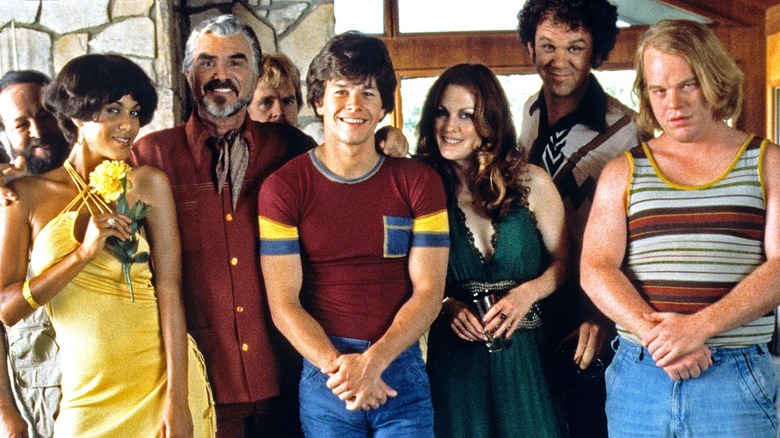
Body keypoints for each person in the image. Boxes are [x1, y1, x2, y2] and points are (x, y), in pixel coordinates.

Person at [581, 19, 780, 436]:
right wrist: (664, 341)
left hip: (734, 373)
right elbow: (595, 268)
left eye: (688, 85)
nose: (673, 103)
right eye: (659, 90)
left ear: (715, 79)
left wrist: (697, 328)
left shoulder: (769, 163)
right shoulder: (623, 171)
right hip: (641, 373)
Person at [0, 53, 216, 436]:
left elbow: (170, 290)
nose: (128, 125)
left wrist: (178, 399)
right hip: (86, 398)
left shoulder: (147, 184)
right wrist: (82, 255)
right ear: (77, 115)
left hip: (159, 385)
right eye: (113, 110)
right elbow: (7, 309)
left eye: (135, 112)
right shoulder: (24, 196)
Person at [130, 14, 317, 438]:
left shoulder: (293, 151)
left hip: (291, 379)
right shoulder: (150, 158)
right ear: (187, 74)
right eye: (206, 62)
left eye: (236, 61)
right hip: (202, 386)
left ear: (254, 75)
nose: (221, 74)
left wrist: (388, 146)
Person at [258, 32, 450, 437]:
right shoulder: (283, 188)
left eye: (368, 93)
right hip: (326, 374)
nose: (354, 104)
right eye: (341, 91)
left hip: (399, 366)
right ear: (318, 101)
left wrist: (374, 362)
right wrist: (347, 371)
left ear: (384, 106)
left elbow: (430, 292)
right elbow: (283, 304)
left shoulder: (419, 182)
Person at [416, 63, 568, 438]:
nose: (449, 127)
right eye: (442, 112)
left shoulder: (532, 182)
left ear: (490, 122)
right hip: (455, 365)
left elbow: (567, 262)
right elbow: (400, 277)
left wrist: (527, 294)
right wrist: (445, 305)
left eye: (466, 115)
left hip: (527, 359)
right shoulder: (420, 188)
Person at [516, 1, 641, 435]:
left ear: (596, 51)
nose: (559, 60)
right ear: (530, 48)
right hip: (535, 294)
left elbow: (638, 240)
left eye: (575, 47)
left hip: (593, 306)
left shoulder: (624, 129)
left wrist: (607, 316)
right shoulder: (530, 112)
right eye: (547, 45)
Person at [0, 70, 69, 438]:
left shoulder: (101, 179)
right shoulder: (5, 200)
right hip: (39, 388)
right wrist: (6, 413)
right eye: (21, 124)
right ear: (6, 135)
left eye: (45, 115)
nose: (38, 131)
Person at [248, 52, 409, 157]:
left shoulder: (307, 149)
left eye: (288, 101)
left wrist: (382, 139)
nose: (279, 111)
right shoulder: (236, 158)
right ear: (246, 108)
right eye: (266, 102)